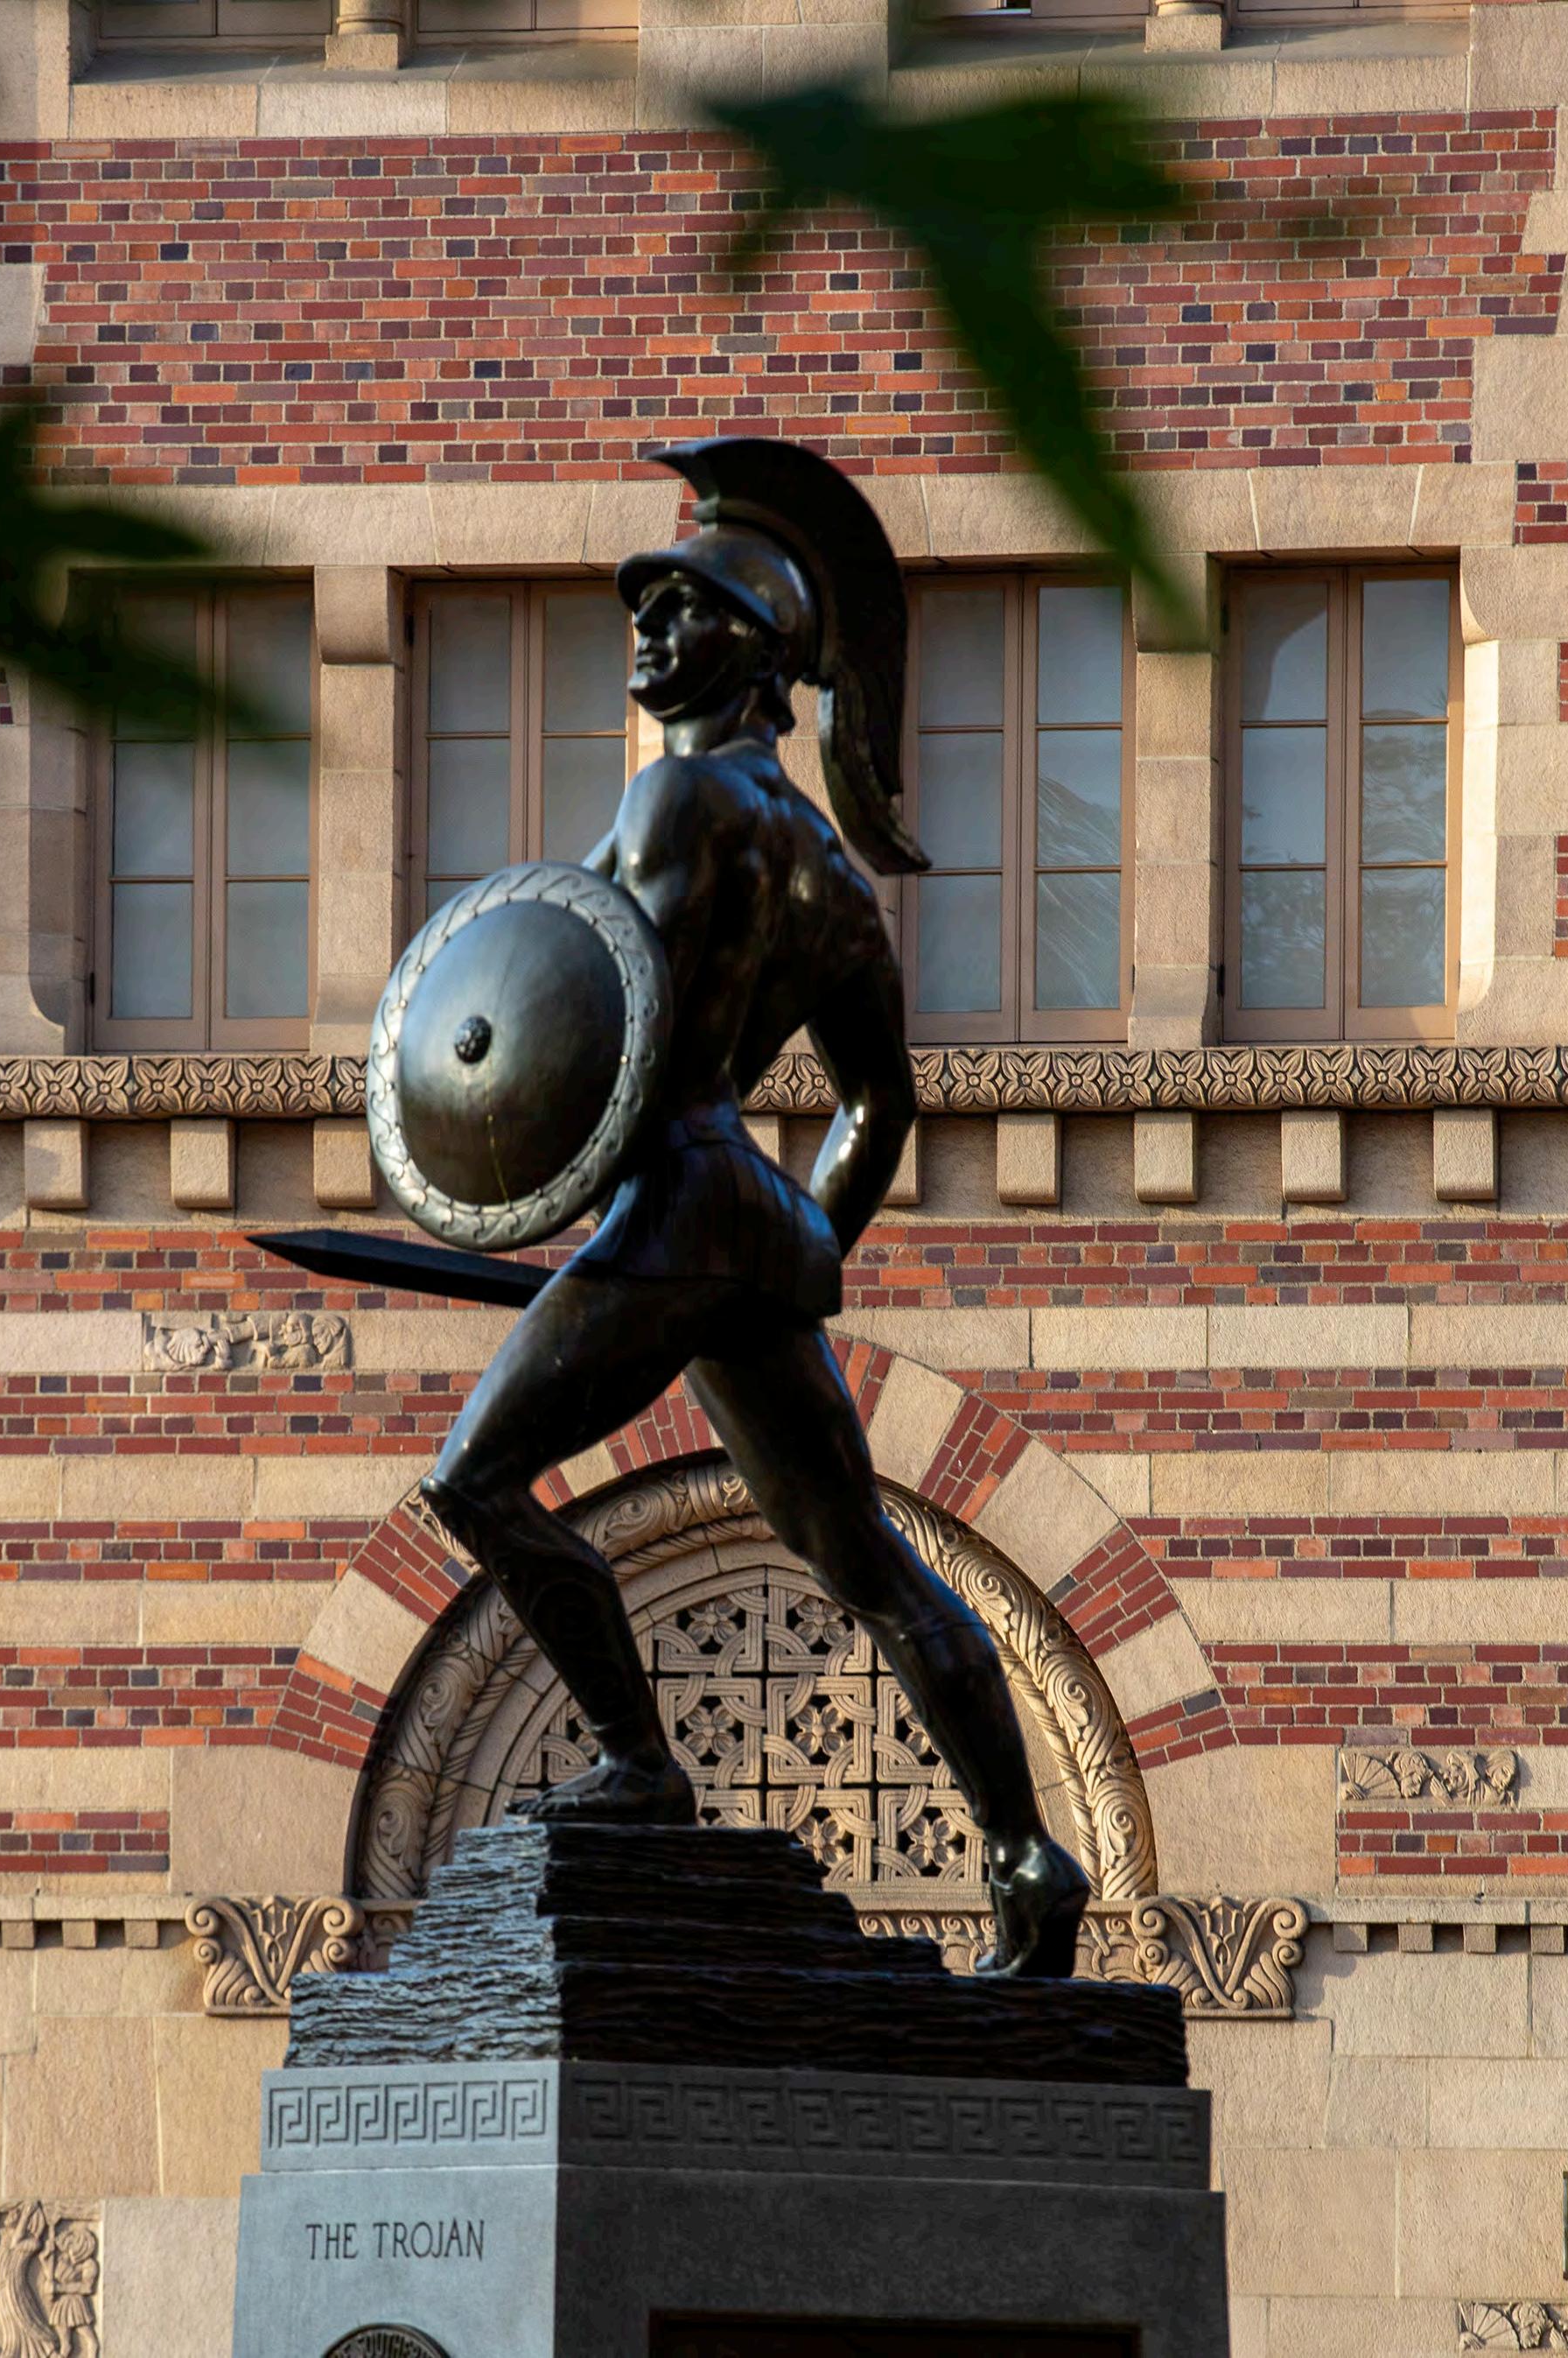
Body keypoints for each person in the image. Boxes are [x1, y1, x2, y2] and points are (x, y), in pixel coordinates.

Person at [418, 439, 1090, 1977]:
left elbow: (628, 1031)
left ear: (763, 647)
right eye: (644, 606)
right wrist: (796, 1255)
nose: (650, 630)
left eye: (684, 607)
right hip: (746, 1217)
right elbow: (878, 1105)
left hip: (675, 1196)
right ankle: (1027, 1856)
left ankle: (638, 1762)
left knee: (477, 1480)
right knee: (872, 1565)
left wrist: (628, 1239)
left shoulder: (674, 800)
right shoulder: (837, 879)